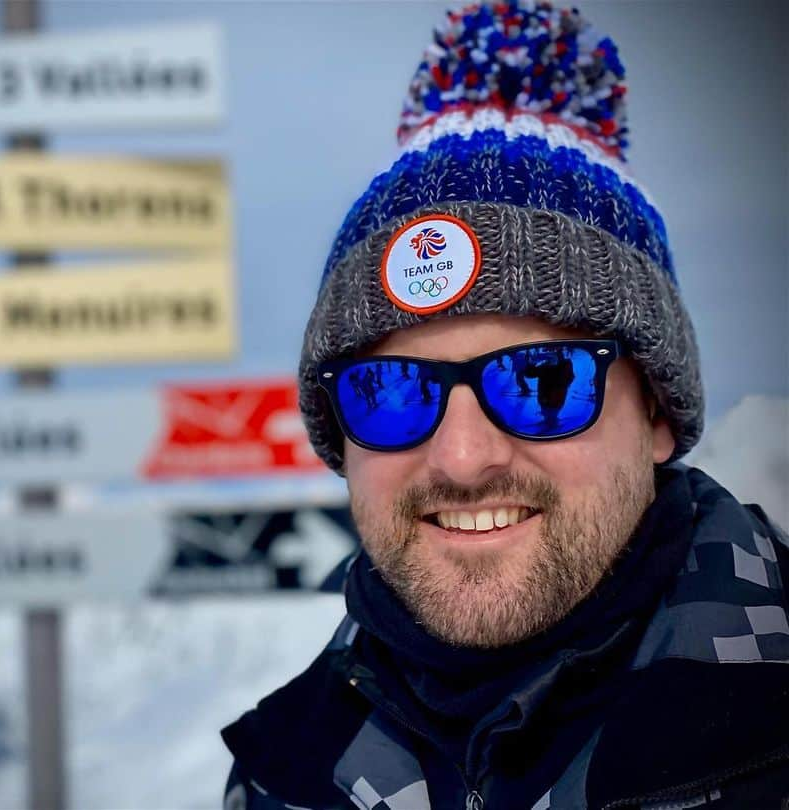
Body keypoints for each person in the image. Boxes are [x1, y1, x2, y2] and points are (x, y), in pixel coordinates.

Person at [221, 3, 789, 809]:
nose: (462, 457)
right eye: (392, 392)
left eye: (544, 381)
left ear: (657, 411)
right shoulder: (280, 773)